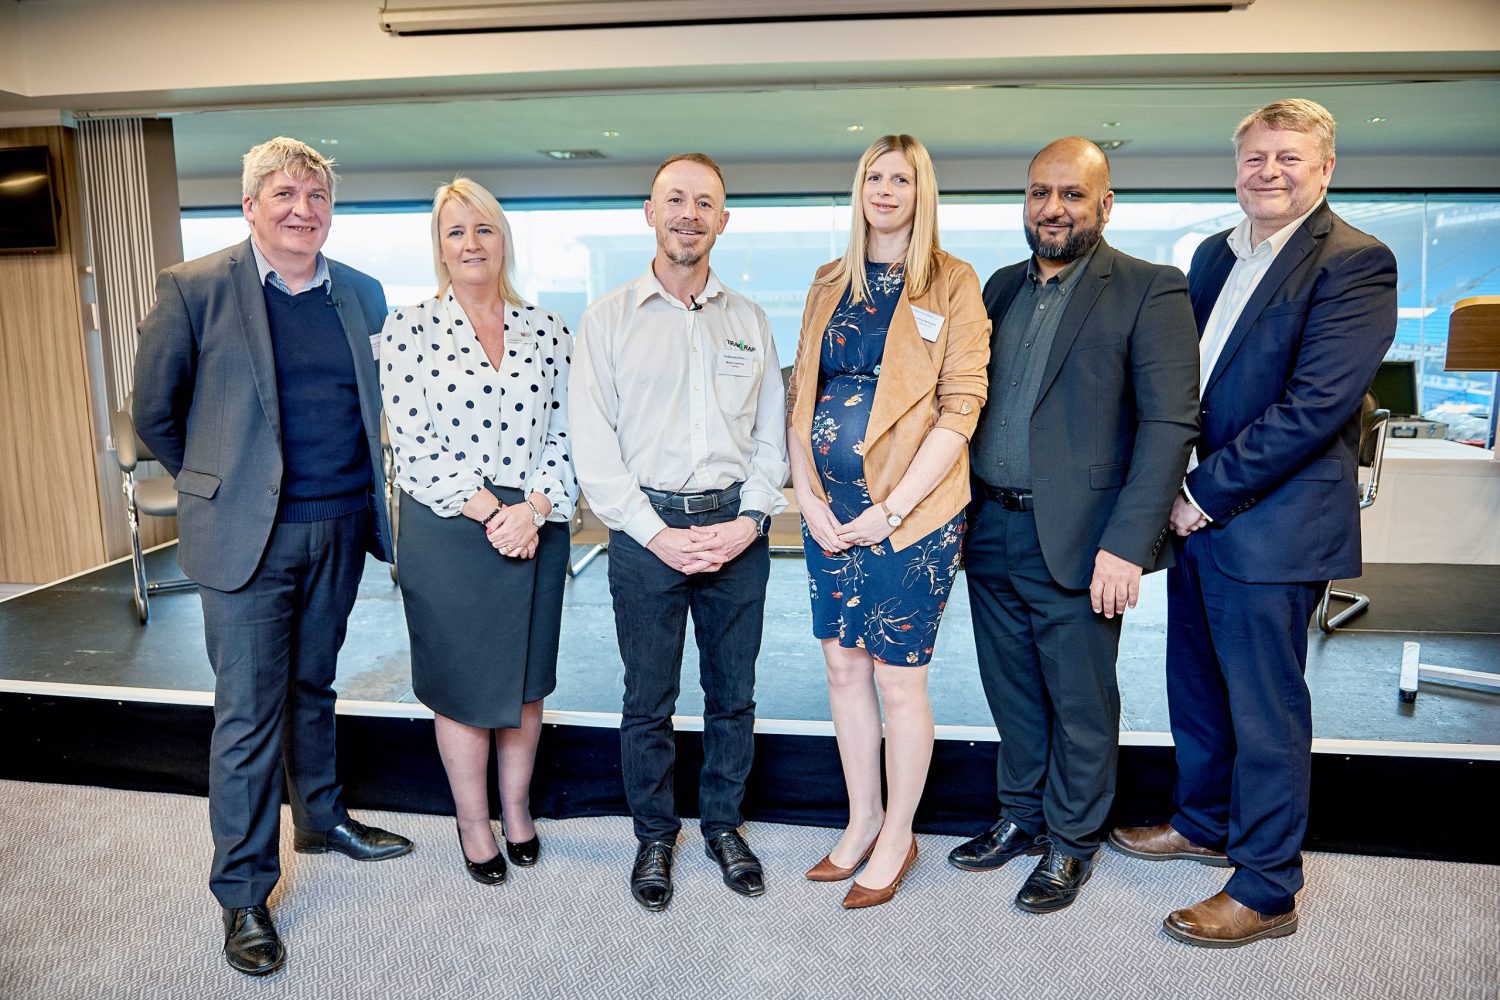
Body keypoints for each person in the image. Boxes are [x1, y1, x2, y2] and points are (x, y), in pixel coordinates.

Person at [1110, 99, 1397, 947]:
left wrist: (1200, 494)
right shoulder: (1212, 254)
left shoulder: (1355, 262)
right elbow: (1184, 381)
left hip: (1270, 524)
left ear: (1326, 168)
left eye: (1289, 159)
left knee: (1267, 711)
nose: (1269, 172)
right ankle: (1204, 822)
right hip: (1196, 515)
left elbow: (1314, 409)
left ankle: (1268, 885)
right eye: (1255, 159)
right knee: (1195, 687)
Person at [133, 137, 411, 977]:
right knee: (248, 713)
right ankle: (244, 892)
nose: (302, 209)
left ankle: (321, 818)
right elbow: (154, 415)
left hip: (339, 527)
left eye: (317, 196)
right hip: (247, 537)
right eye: (284, 194)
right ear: (250, 205)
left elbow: (376, 410)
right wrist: (221, 486)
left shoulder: (360, 292)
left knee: (313, 686)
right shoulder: (195, 289)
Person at [949, 137, 1199, 913]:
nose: (1052, 208)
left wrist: (1129, 544)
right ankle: (1020, 816)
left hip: (1086, 539)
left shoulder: (1150, 289)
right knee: (1012, 691)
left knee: (1081, 701)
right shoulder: (996, 288)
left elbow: (1168, 424)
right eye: (1039, 194)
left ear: (1105, 203)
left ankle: (1070, 842)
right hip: (990, 527)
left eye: (1072, 194)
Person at [570, 153, 789, 912]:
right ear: (650, 212)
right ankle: (655, 836)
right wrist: (659, 535)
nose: (689, 214)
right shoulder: (604, 322)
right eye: (675, 199)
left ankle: (725, 825)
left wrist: (749, 521)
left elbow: (773, 443)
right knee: (648, 699)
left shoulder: (750, 322)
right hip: (643, 534)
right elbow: (594, 454)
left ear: (723, 221)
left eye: (705, 202)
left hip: (735, 531)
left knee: (734, 696)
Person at [785, 134, 989, 909]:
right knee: (841, 665)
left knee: (898, 678)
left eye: (901, 177)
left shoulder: (952, 283)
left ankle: (898, 832)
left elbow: (961, 406)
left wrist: (890, 509)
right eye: (874, 175)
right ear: (858, 187)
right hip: (827, 513)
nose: (885, 189)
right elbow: (801, 394)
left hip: (912, 516)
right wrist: (805, 493)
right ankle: (861, 813)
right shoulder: (827, 281)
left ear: (921, 190)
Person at [380, 178, 577, 887]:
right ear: (439, 247)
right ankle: (472, 823)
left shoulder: (549, 329)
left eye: (483, 229)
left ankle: (517, 811)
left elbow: (567, 433)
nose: (470, 243)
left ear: (503, 240)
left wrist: (537, 507)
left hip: (536, 522)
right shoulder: (408, 327)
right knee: (463, 686)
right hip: (450, 527)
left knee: (525, 686)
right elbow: (413, 444)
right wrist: (493, 512)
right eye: (455, 231)